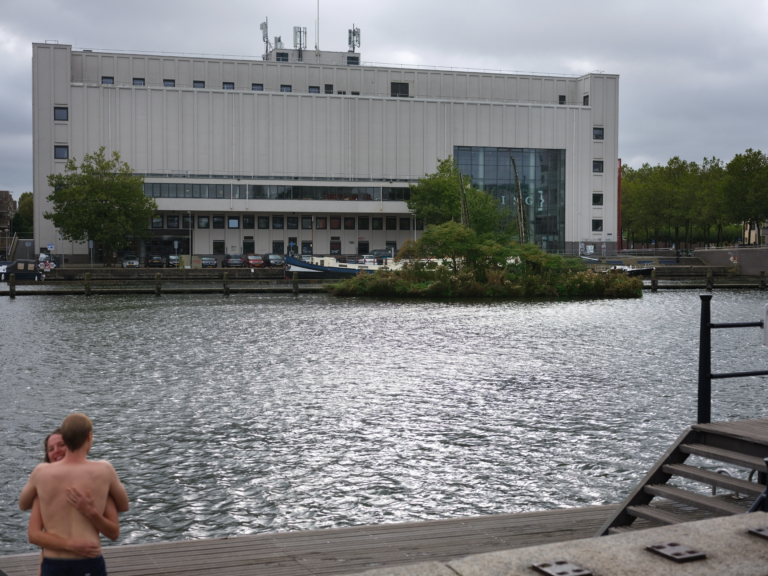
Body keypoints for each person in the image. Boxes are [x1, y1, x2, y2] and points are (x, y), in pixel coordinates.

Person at [19, 413, 129, 576]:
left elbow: (22, 504)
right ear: (89, 437)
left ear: (67, 440)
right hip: (89, 561)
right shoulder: (104, 471)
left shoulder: (41, 473)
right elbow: (124, 505)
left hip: (53, 563)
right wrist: (92, 511)